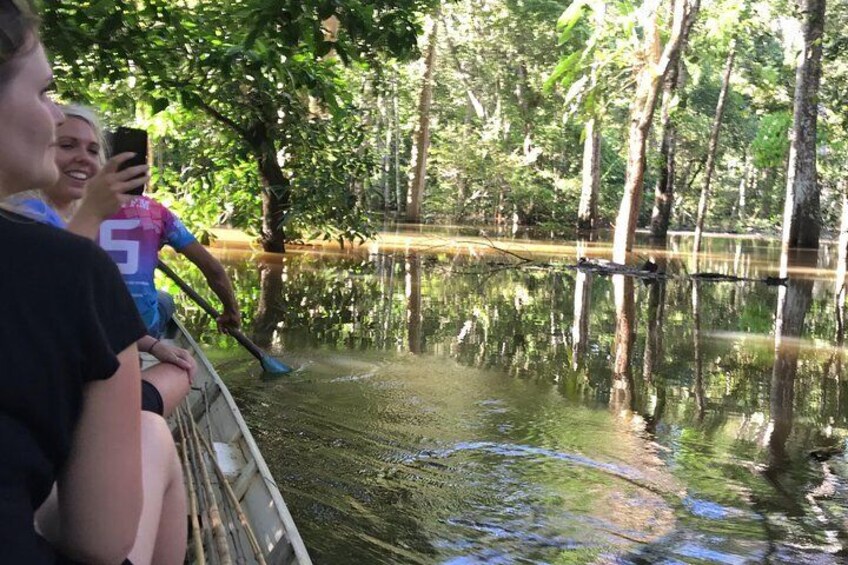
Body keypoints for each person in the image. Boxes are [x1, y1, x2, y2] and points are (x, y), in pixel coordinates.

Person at [0, 2, 185, 563]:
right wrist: (91, 221)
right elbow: (100, 544)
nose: (54, 116)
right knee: (152, 433)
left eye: (90, 147)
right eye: (42, 94)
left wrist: (150, 341)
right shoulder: (70, 264)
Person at [15, 104, 197, 418]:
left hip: (79, 374)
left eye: (93, 150)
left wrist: (152, 346)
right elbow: (46, 305)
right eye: (67, 145)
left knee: (170, 362)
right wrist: (91, 214)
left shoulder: (64, 218)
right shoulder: (26, 215)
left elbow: (94, 309)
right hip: (52, 392)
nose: (83, 157)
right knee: (180, 376)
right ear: (39, 150)